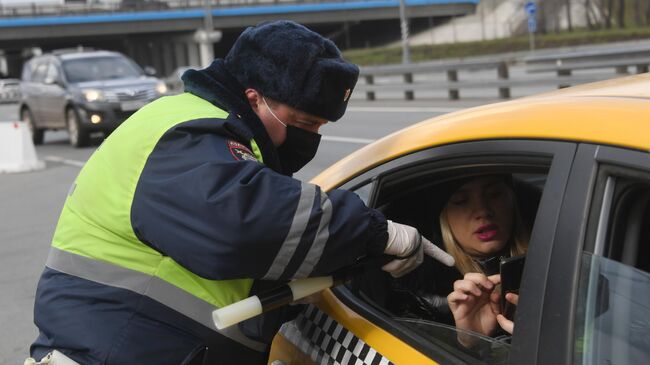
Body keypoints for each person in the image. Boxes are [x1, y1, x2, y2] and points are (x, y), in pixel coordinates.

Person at [28, 21, 453, 365]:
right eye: (302, 124)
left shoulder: (216, 135)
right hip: (109, 350)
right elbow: (245, 224)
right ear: (255, 98)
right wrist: (376, 233)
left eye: (320, 129)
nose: (310, 139)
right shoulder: (188, 132)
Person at [385, 174, 531, 335]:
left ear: (513, 201)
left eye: (494, 194)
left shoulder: (557, 263)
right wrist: (471, 341)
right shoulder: (423, 301)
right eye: (461, 201)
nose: (483, 211)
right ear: (442, 218)